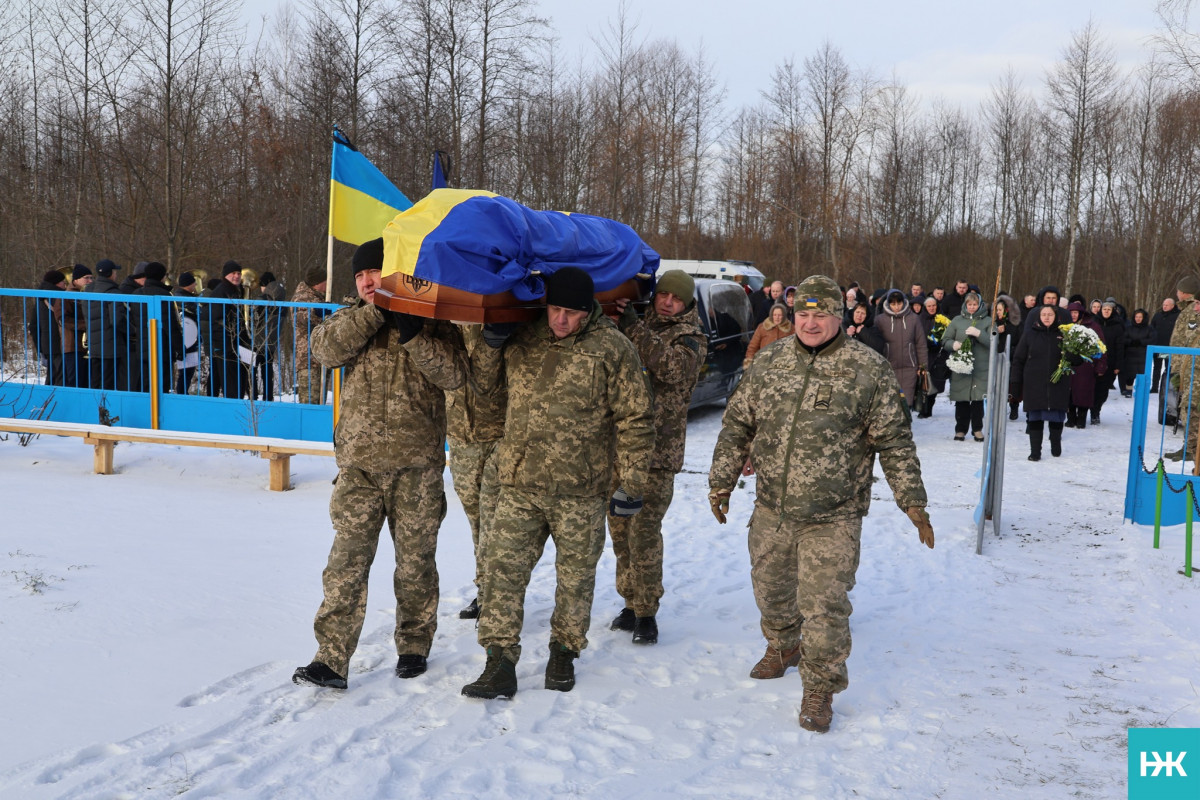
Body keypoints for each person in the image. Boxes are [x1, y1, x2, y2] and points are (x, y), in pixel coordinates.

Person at [707, 274, 933, 733]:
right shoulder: (769, 363)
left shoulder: (867, 370)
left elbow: (894, 441)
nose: (810, 323)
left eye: (821, 314)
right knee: (770, 591)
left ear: (839, 317)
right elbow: (737, 426)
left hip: (834, 514)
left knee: (824, 605)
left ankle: (820, 687)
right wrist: (720, 483)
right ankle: (784, 644)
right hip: (772, 506)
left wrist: (913, 502)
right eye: (803, 314)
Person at [461, 267, 655, 699]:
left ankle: (563, 653)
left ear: (588, 311)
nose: (560, 321)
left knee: (575, 579)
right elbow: (485, 387)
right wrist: (491, 345)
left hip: (580, 491)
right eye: (554, 309)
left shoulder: (612, 349)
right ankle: (499, 663)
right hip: (519, 483)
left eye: (570, 312)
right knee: (501, 573)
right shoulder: (525, 337)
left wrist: (633, 482)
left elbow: (636, 419)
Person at [293, 238, 468, 691]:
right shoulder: (352, 318)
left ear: (394, 273)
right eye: (360, 276)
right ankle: (331, 658)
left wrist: (412, 335)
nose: (367, 281)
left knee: (415, 564)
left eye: (375, 273)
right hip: (360, 469)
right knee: (346, 563)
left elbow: (455, 375)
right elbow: (323, 352)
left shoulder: (432, 319)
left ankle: (413, 645)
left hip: (417, 467)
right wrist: (375, 313)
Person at [607, 270, 707, 645]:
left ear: (687, 304)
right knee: (619, 532)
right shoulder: (635, 321)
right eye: (663, 295)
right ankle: (630, 602)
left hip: (657, 455)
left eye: (676, 299)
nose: (667, 302)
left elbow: (672, 369)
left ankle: (648, 612)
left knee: (644, 533)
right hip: (620, 447)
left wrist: (633, 326)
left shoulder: (691, 338)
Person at [445, 323, 507, 621]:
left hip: (500, 432)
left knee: (495, 520)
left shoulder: (500, 307)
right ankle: (485, 589)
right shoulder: (447, 313)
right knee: (477, 520)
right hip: (460, 433)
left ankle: (494, 596)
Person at [1010, 305, 1072, 460]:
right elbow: (1018, 359)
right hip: (1034, 383)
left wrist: (1074, 356)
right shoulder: (1029, 334)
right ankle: (1035, 451)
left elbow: (1074, 359)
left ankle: (1056, 443)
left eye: (1050, 314)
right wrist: (1015, 383)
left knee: (1056, 416)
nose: (1046, 317)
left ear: (1056, 317)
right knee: (1035, 417)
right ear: (1039, 317)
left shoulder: (1064, 334)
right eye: (1043, 314)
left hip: (1058, 382)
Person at [942, 291, 993, 441]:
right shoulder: (957, 321)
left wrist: (979, 334)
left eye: (975, 304)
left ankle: (977, 429)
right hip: (961, 366)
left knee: (977, 400)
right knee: (962, 399)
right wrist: (954, 344)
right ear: (965, 305)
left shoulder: (989, 321)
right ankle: (960, 430)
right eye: (969, 304)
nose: (972, 307)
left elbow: (993, 342)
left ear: (980, 305)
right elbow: (945, 340)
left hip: (980, 367)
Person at [132, 262, 185, 393]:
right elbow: (170, 325)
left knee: (146, 385)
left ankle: (146, 412)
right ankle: (159, 413)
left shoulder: (136, 294)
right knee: (162, 387)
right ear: (161, 277)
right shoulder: (164, 296)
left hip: (143, 348)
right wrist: (180, 347)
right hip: (162, 349)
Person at [203, 260, 252, 398]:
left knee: (239, 385)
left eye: (238, 273)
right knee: (231, 388)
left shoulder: (235, 290)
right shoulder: (221, 292)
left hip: (236, 346)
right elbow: (216, 322)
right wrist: (228, 347)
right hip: (226, 348)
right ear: (225, 275)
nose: (236, 276)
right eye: (233, 273)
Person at [876, 289, 928, 410]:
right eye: (893, 304)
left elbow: (920, 343)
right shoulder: (880, 320)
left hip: (910, 367)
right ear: (888, 304)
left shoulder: (913, 319)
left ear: (904, 303)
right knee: (890, 403)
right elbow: (875, 343)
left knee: (906, 403)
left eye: (899, 303)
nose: (897, 307)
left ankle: (906, 427)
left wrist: (923, 366)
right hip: (888, 367)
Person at [83, 259, 127, 391]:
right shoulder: (113, 292)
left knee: (95, 383)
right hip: (111, 346)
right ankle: (107, 411)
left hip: (94, 344)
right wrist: (132, 331)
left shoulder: (88, 291)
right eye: (115, 271)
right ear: (111, 273)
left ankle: (94, 409)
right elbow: (117, 320)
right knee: (110, 384)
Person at [1063, 301, 1106, 429]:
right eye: (1071, 312)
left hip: (1086, 365)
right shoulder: (1064, 326)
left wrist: (1101, 365)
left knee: (1084, 392)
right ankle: (1070, 418)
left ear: (1081, 313)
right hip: (1068, 364)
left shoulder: (1092, 327)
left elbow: (1101, 346)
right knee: (1068, 392)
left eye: (1076, 312)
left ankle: (1081, 418)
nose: (1073, 315)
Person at [291, 269, 330, 404]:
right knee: (310, 403)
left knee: (320, 402)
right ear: (318, 283)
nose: (327, 283)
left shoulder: (318, 296)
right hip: (308, 360)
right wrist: (318, 312)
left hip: (319, 358)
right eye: (326, 281)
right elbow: (302, 317)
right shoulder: (303, 297)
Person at [1093, 298, 1125, 422]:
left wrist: (1118, 365)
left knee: (1103, 390)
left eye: (1109, 309)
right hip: (1094, 361)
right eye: (1104, 309)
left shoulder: (1118, 325)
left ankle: (1097, 410)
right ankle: (1091, 411)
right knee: (1092, 388)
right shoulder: (1094, 322)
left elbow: (1120, 346)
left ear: (1113, 311)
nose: (1106, 311)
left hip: (1110, 362)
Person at [918, 295, 949, 418]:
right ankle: (923, 408)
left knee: (934, 384)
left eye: (934, 305)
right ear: (925, 307)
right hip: (924, 354)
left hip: (938, 355)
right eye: (929, 306)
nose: (932, 308)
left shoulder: (943, 319)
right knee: (923, 384)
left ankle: (929, 407)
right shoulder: (919, 319)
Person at [993, 294, 1022, 419]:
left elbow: (1018, 338)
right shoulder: (993, 322)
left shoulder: (1015, 322)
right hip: (996, 356)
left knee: (1012, 384)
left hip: (1011, 356)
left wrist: (1006, 330)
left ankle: (1013, 407)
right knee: (998, 383)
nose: (998, 312)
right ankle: (998, 407)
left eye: (1000, 310)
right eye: (996, 310)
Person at [172, 272, 201, 394]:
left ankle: (182, 392)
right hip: (188, 339)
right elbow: (197, 313)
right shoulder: (186, 299)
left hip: (186, 338)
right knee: (187, 371)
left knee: (185, 370)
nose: (195, 284)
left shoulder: (177, 296)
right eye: (193, 282)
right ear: (188, 284)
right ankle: (182, 393)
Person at [1121, 308, 1154, 397]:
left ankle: (1141, 392)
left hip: (1143, 354)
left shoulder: (1149, 328)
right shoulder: (1129, 328)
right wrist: (1131, 342)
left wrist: (1141, 342)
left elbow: (1152, 340)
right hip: (1130, 354)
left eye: (1140, 317)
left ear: (1144, 318)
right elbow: (1123, 339)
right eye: (1136, 317)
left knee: (1142, 374)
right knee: (1129, 374)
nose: (1138, 319)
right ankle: (1128, 391)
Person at [1150, 296, 1180, 393]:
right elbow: (1151, 328)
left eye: (1167, 305)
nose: (1164, 307)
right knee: (1156, 368)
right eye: (1164, 305)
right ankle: (1154, 387)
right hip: (1157, 346)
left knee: (1169, 369)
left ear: (1172, 306)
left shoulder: (1178, 316)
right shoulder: (1157, 315)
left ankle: (1167, 388)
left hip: (1170, 348)